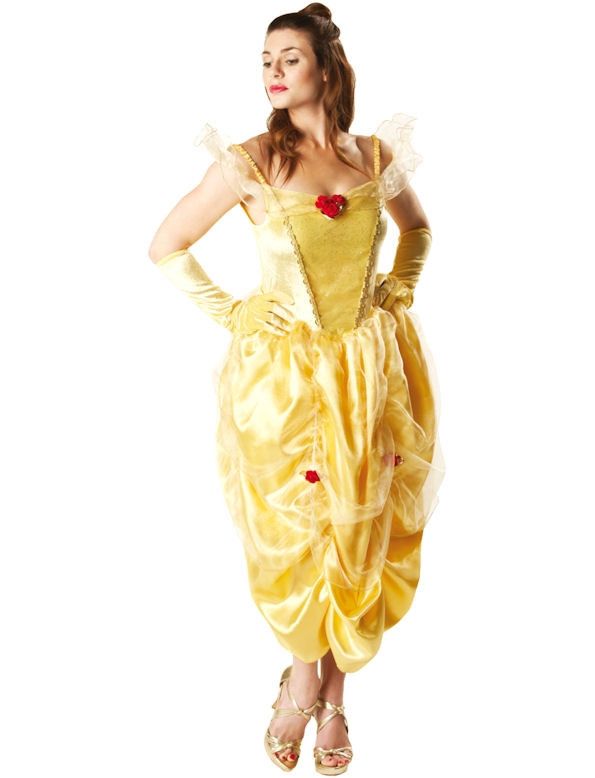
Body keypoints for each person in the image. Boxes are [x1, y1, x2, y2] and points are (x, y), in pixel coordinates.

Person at [148, 3, 445, 774]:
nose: (272, 72)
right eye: (265, 60)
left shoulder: (373, 155)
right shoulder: (251, 162)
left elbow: (416, 230)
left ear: (326, 67)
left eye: (288, 58)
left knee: (356, 533)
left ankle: (332, 698)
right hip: (282, 382)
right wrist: (234, 311)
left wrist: (400, 284)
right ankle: (302, 679)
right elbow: (168, 244)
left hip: (368, 373)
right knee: (298, 531)